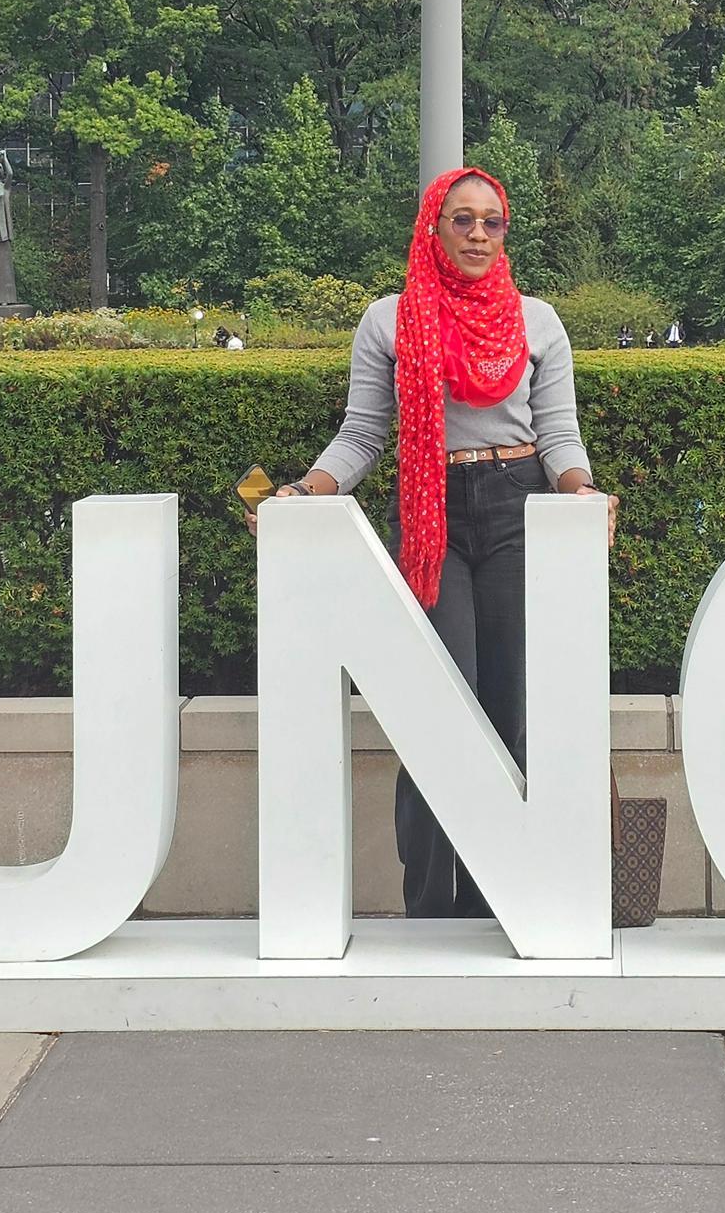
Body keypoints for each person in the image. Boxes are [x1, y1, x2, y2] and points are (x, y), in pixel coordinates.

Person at [262, 168, 616, 920]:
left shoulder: (538, 320)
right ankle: (429, 905)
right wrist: (304, 490)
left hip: (521, 507)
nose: (480, 235)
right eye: (463, 220)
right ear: (434, 227)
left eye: (493, 222)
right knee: (436, 711)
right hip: (432, 515)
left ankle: (509, 904)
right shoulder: (390, 320)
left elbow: (558, 435)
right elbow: (362, 434)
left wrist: (581, 492)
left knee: (512, 707)